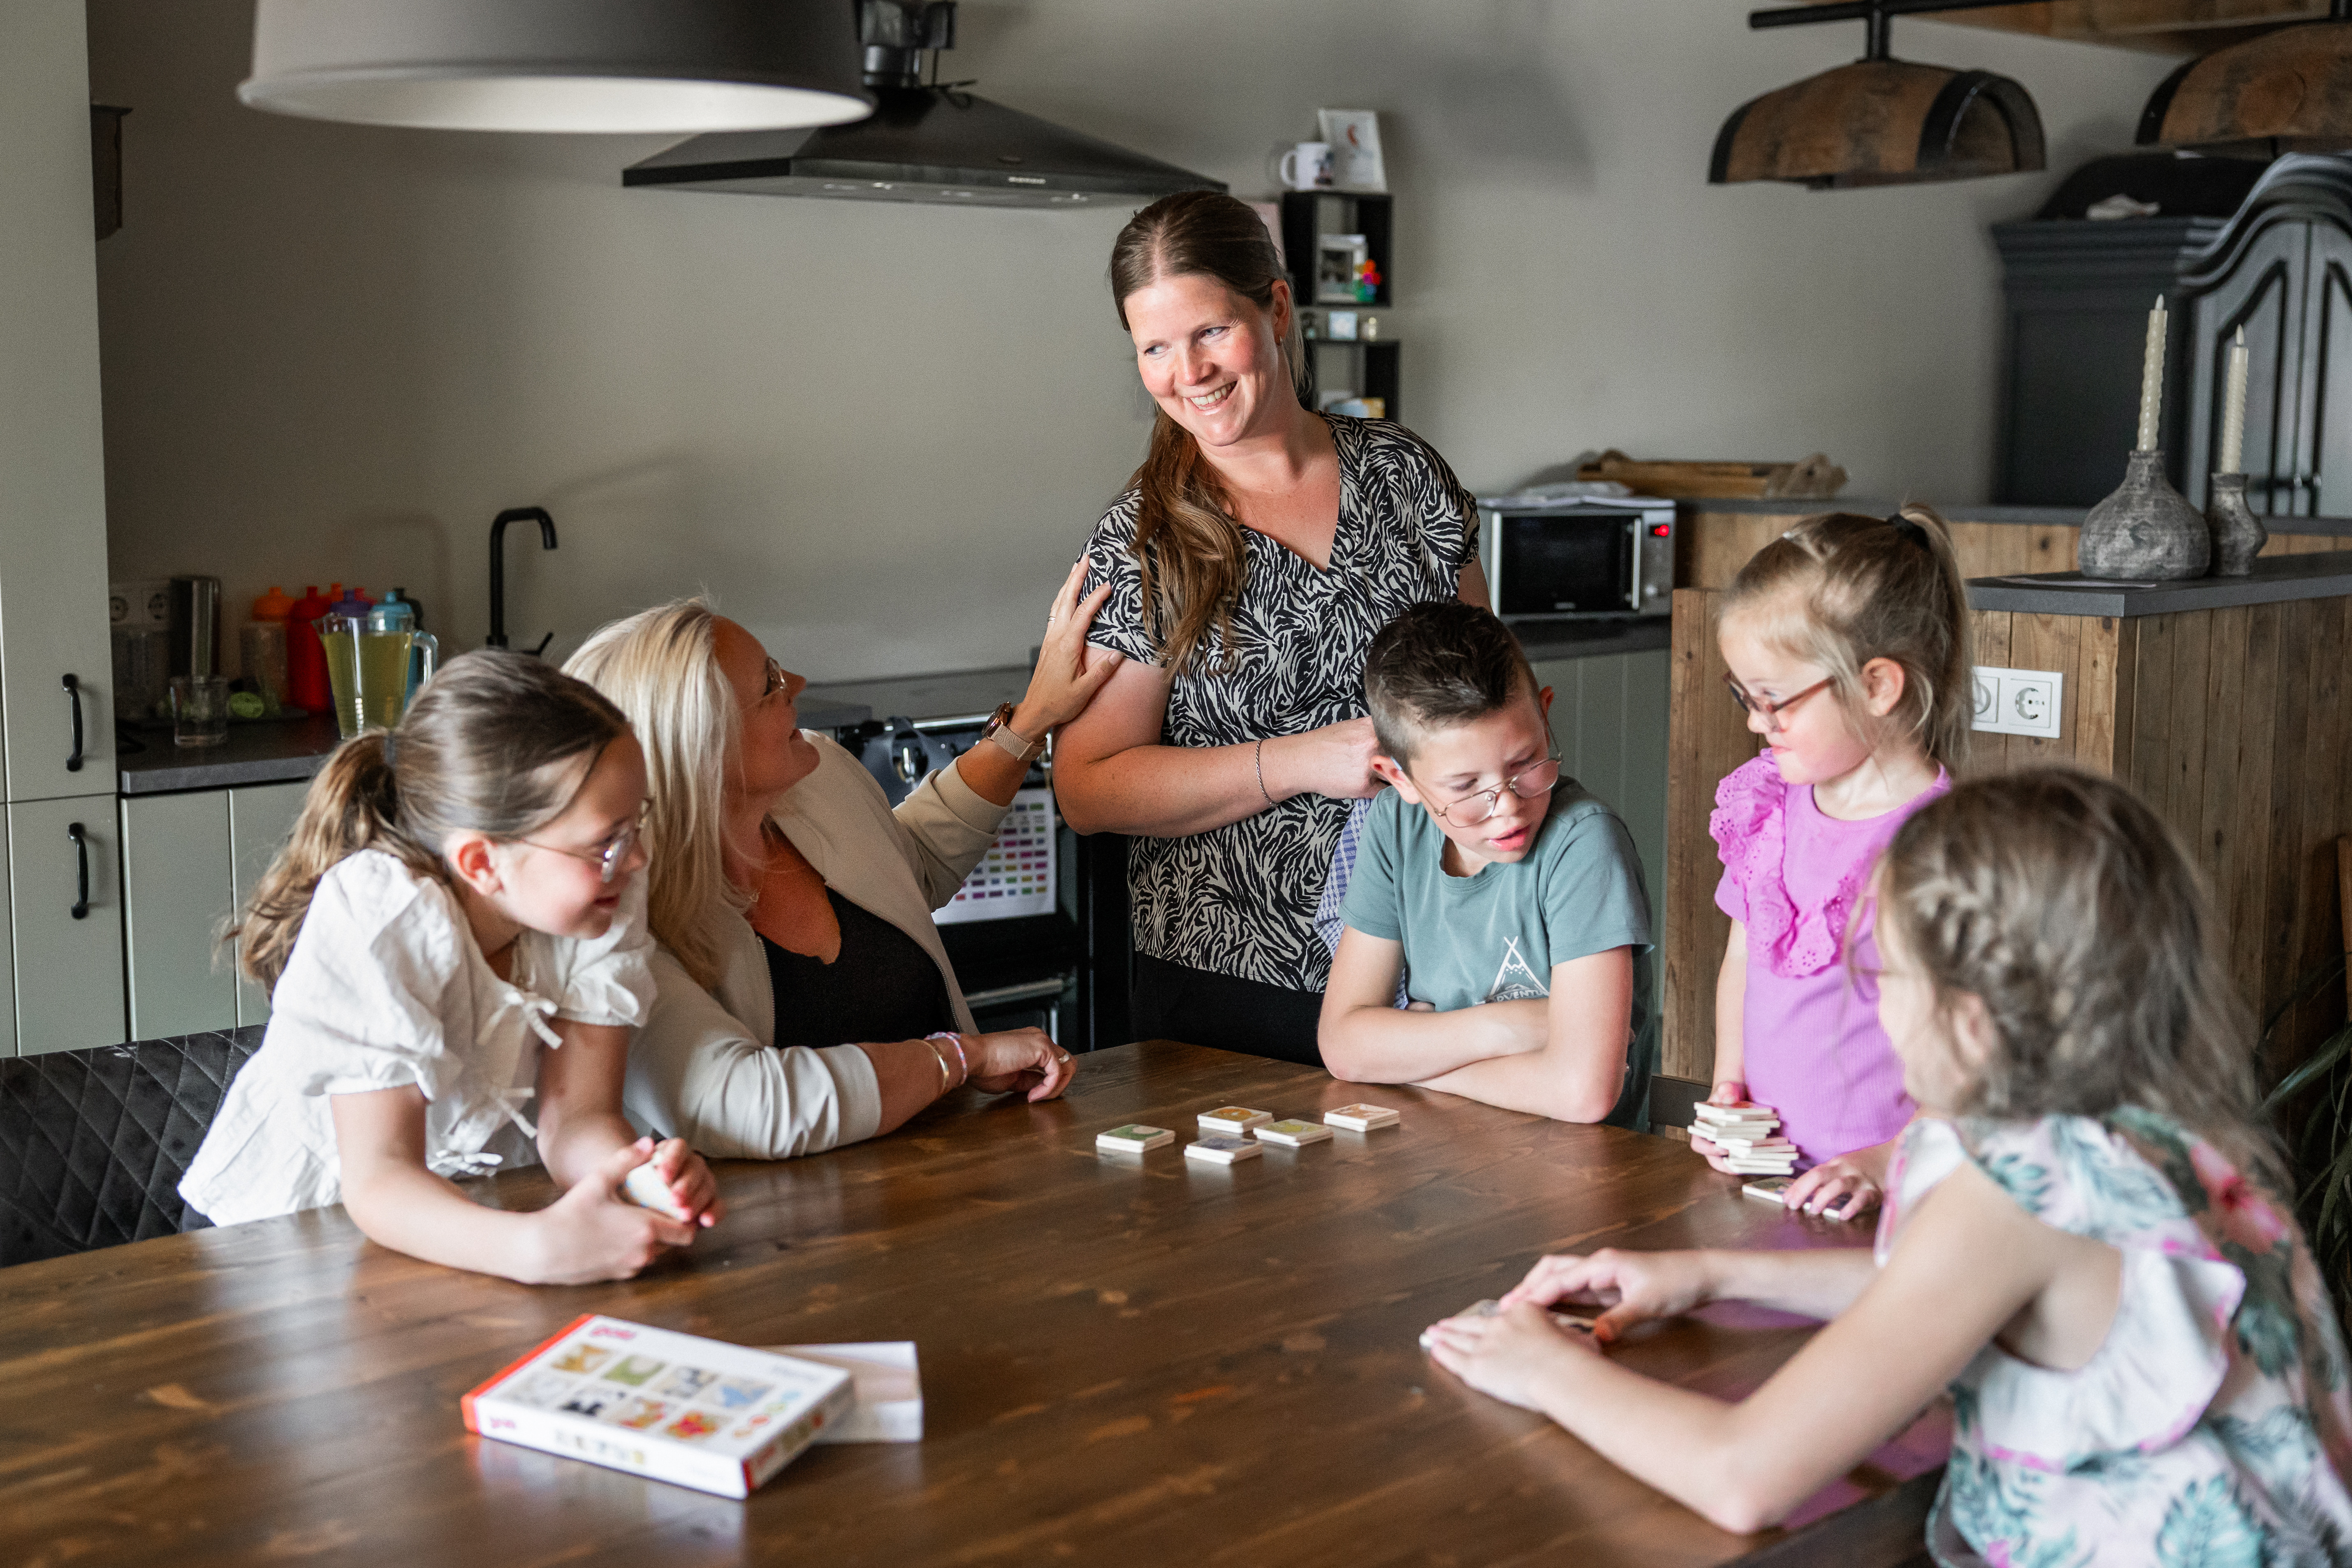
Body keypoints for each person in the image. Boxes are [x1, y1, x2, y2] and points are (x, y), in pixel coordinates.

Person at [1424, 769, 2352, 1557]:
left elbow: (1742, 1476)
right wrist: (1707, 1273)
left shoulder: (2011, 1191)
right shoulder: (2150, 1132)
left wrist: (1542, 1367)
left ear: (1972, 1015)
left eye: (1884, 974)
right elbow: (1934, 1286)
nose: (1871, 1011)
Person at [1056, 188, 1488, 1065]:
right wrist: (1297, 762)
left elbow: (1486, 696)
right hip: (1233, 987)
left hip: (1436, 958)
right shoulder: (1144, 539)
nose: (1190, 372)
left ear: (1278, 308)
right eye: (1155, 348)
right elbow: (1088, 786)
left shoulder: (1404, 475)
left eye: (1212, 331)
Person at [180, 652, 721, 1285]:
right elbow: (380, 1178)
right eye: (607, 840)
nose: (636, 859)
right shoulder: (382, 915)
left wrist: (635, 1175)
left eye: (636, 825)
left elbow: (576, 1119)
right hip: (285, 1239)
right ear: (481, 862)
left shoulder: (597, 895)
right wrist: (535, 1250)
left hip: (464, 1226)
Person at [564, 565, 1116, 1160]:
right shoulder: (619, 917)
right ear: (705, 746)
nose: (799, 682)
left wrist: (1032, 719)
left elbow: (913, 862)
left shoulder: (821, 778)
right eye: (771, 683)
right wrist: (960, 1056)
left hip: (949, 1186)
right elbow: (750, 1104)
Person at [1701, 506, 1970, 1219]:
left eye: (1774, 700)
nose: (1756, 721)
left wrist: (1885, 1160)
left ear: (1877, 685)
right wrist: (1729, 1081)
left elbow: (1977, 1055)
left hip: (1892, 1198)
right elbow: (1742, 961)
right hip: (1768, 1186)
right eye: (1745, 697)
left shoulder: (1945, 848)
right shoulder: (1766, 805)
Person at [1318, 602, 1653, 1125]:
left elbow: (1582, 1093)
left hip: (1581, 1178)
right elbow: (1343, 1043)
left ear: (1545, 715)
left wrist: (1408, 1065)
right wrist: (1512, 1027)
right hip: (1440, 1161)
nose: (1508, 807)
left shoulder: (1584, 843)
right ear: (1398, 777)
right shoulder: (1393, 826)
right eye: (1466, 787)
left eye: (1525, 765)